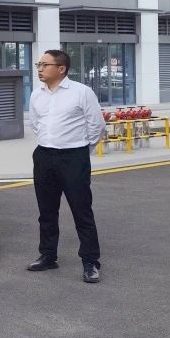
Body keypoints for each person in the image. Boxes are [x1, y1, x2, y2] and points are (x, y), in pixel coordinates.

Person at [28, 49, 105, 283]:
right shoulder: (37, 94)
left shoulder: (81, 92)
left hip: (73, 157)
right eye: (39, 64)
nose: (40, 69)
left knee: (81, 211)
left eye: (45, 65)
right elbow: (35, 124)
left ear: (61, 69)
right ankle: (48, 255)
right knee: (46, 211)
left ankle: (90, 261)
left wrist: (80, 150)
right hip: (44, 156)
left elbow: (97, 126)